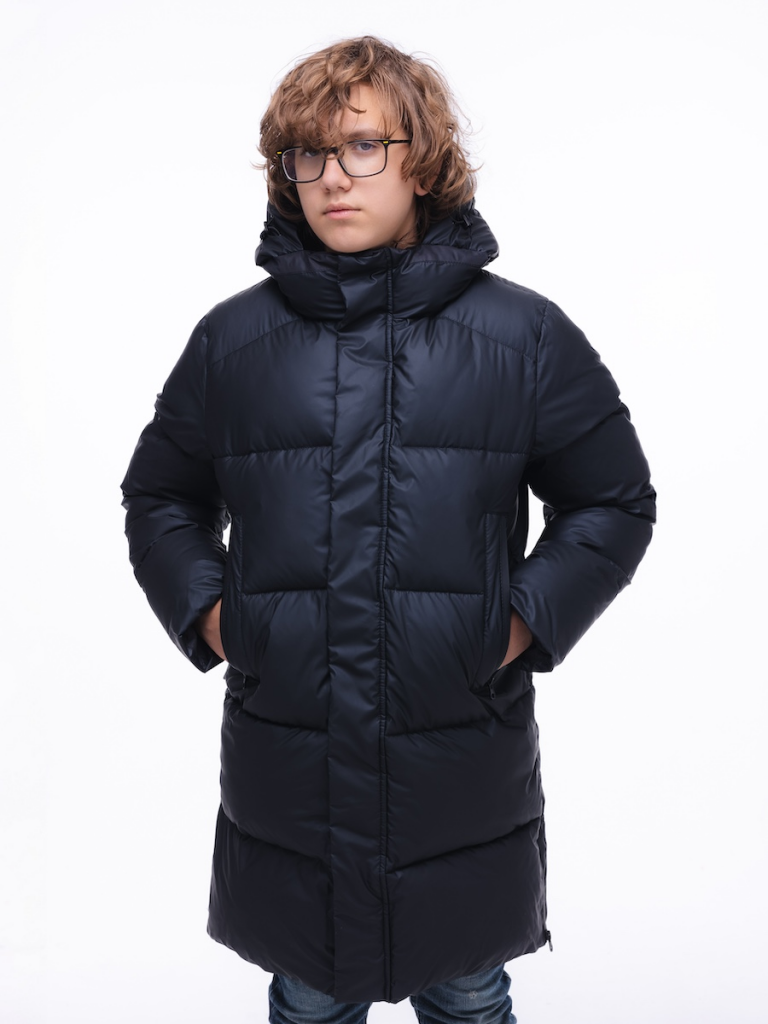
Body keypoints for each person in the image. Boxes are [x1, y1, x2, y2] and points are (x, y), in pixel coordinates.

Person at [121, 35, 656, 1024]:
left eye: (364, 146)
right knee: (309, 993)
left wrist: (517, 625)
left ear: (424, 160)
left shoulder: (523, 337)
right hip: (292, 770)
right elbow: (160, 494)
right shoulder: (234, 341)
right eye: (308, 154)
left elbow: (614, 500)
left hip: (457, 765)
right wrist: (214, 617)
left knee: (468, 991)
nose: (334, 177)